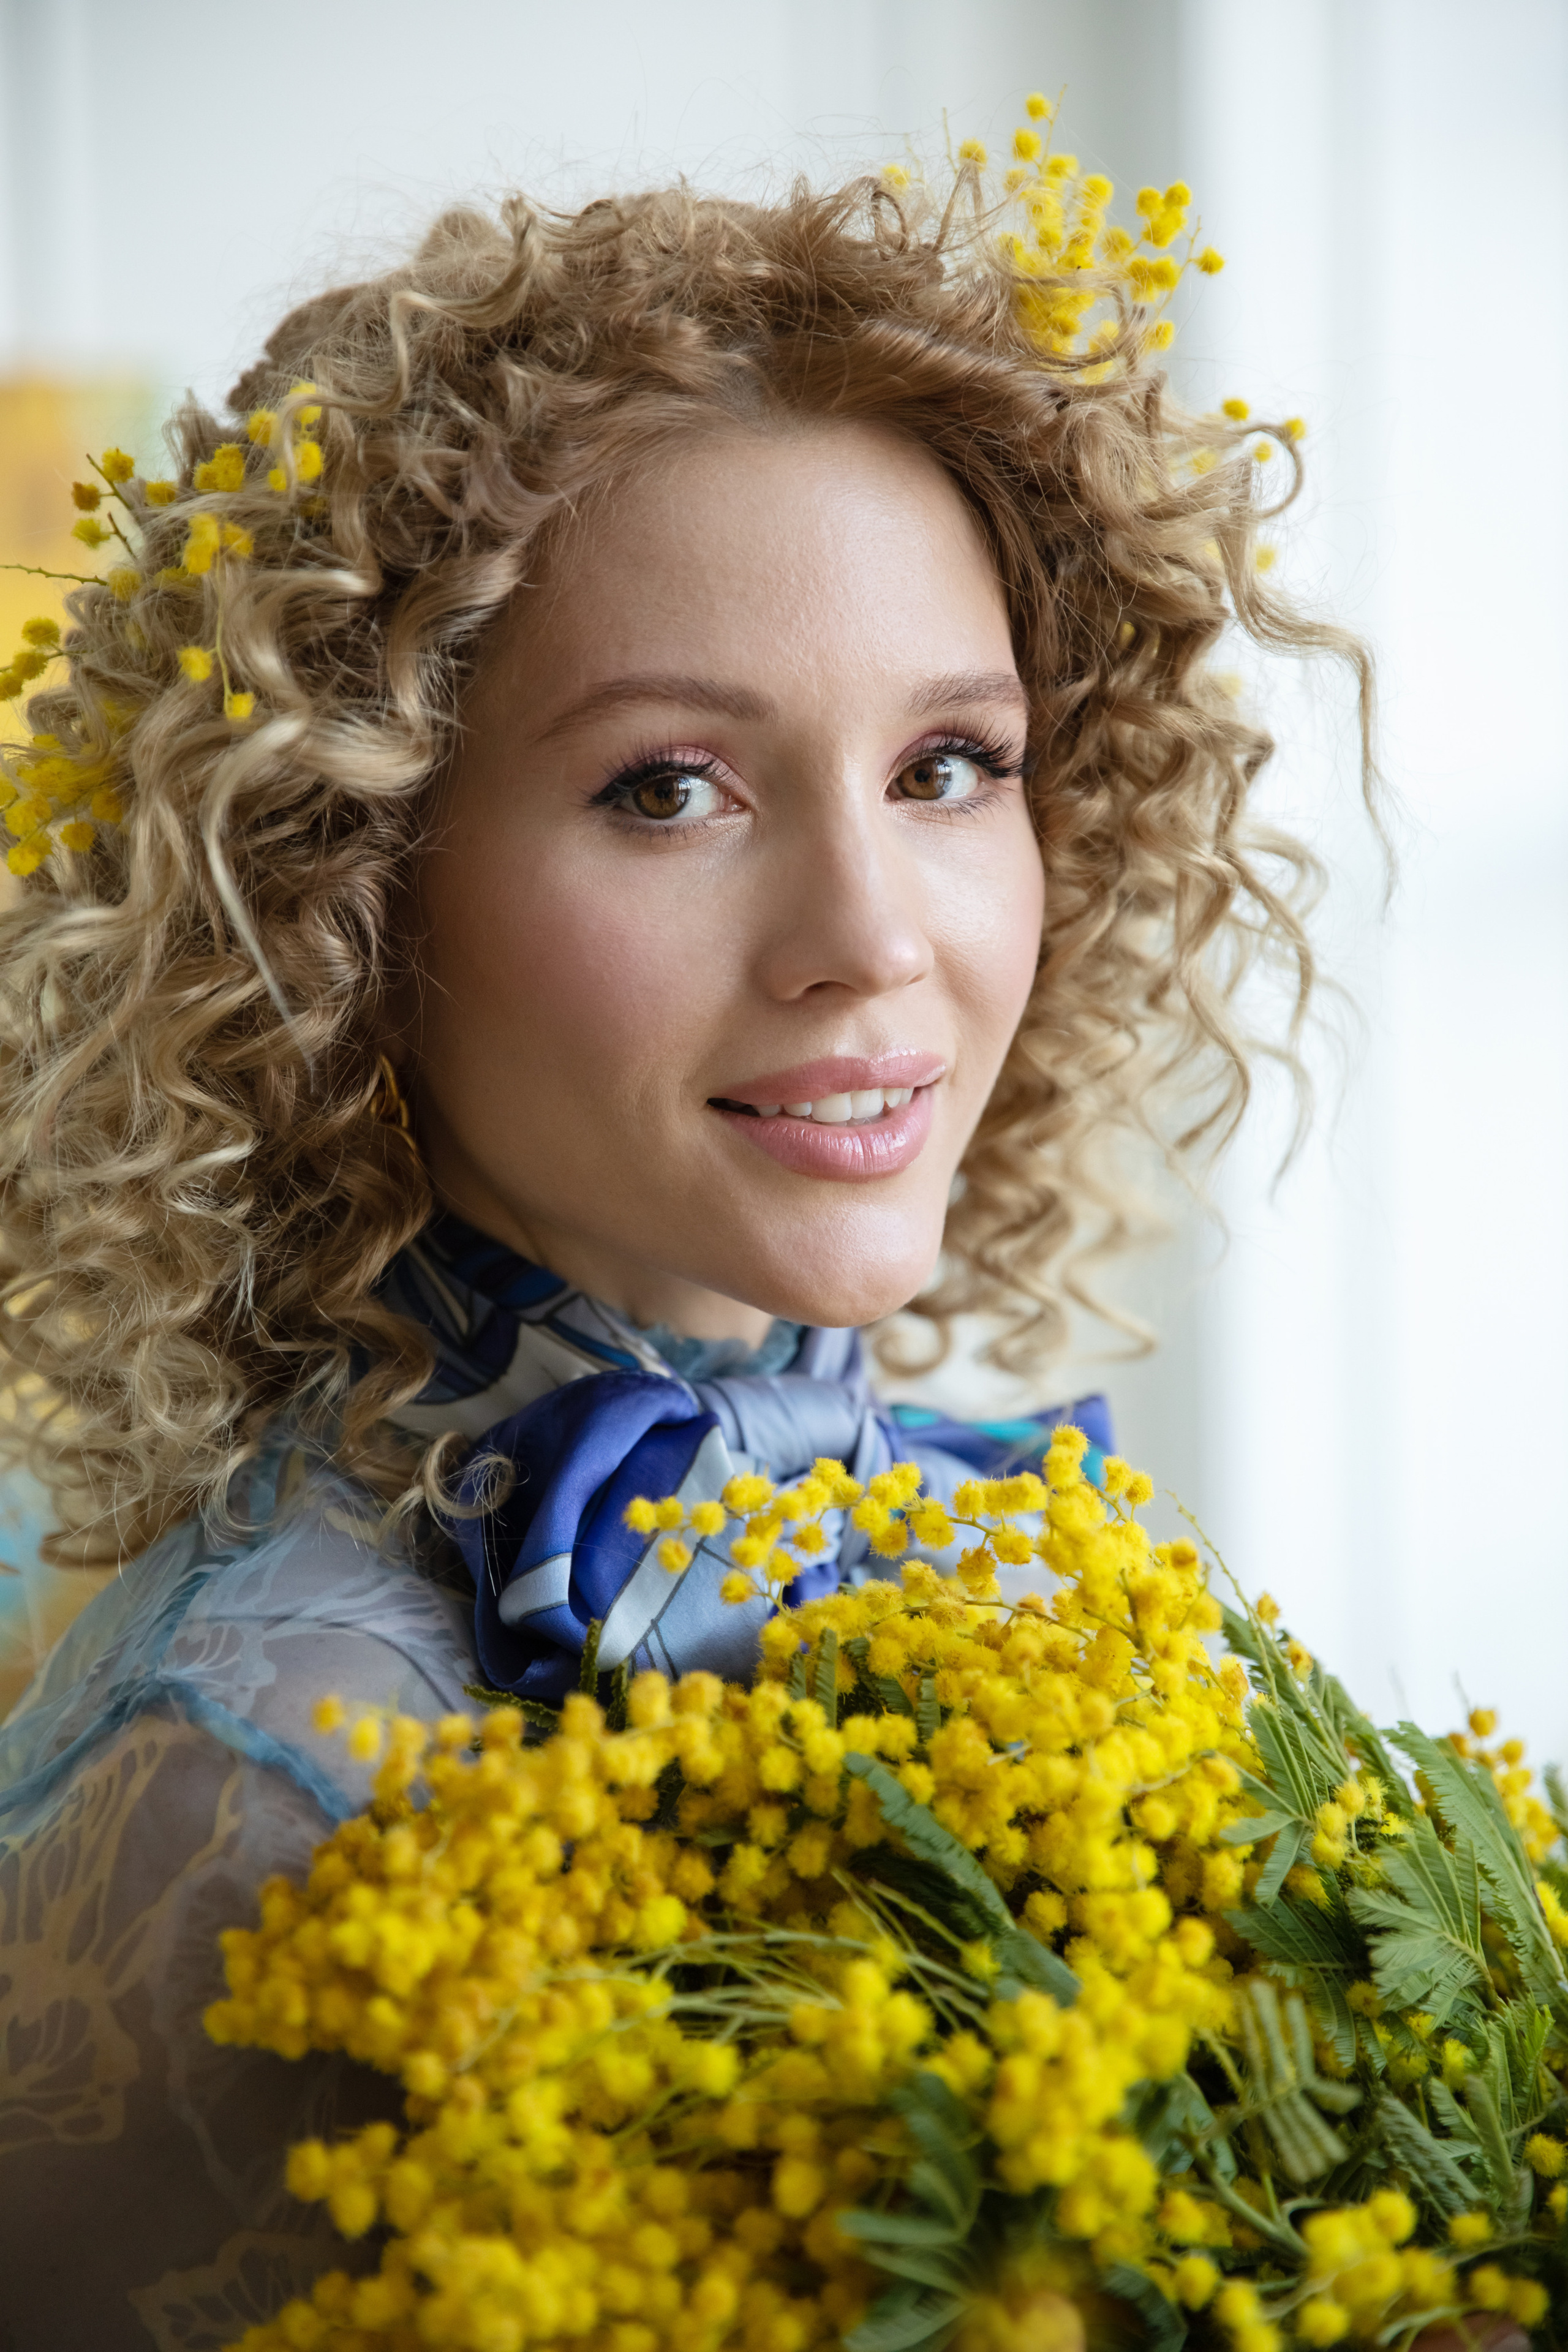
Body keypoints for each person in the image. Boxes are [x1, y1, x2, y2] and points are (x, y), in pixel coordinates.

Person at [0, 144, 1440, 2350]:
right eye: (673, 788)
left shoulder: (1026, 1561)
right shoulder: (256, 1789)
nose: (876, 940)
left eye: (952, 766)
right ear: (345, 894)